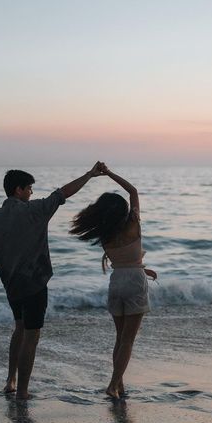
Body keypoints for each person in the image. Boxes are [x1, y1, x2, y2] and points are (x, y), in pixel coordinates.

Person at [0, 162, 105, 400]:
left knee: (19, 329)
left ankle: (10, 381)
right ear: (18, 190)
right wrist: (89, 174)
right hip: (34, 284)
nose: (32, 193)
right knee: (31, 337)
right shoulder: (35, 210)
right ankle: (23, 392)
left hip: (11, 285)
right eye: (29, 189)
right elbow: (64, 192)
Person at [69, 164, 156, 399]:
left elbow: (123, 260)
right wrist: (109, 173)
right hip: (135, 282)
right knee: (128, 340)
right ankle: (113, 383)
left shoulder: (105, 234)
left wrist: (144, 269)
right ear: (122, 211)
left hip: (117, 282)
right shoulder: (133, 224)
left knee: (120, 339)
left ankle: (120, 384)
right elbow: (133, 191)